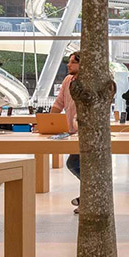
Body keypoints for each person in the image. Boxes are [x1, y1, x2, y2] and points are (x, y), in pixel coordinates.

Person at [50, 52, 80, 213]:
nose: (68, 65)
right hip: (72, 131)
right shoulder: (68, 80)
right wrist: (49, 122)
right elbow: (59, 103)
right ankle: (90, 195)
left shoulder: (89, 83)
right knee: (76, 164)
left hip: (86, 132)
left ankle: (90, 195)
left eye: (73, 62)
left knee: (73, 163)